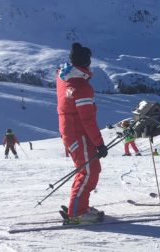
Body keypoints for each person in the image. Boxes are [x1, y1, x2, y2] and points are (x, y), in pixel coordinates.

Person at [56, 42, 107, 224]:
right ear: (85, 64)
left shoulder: (63, 78)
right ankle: (77, 212)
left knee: (89, 169)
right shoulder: (82, 87)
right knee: (89, 171)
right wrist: (99, 143)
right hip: (79, 133)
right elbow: (88, 120)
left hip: (70, 132)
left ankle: (79, 206)